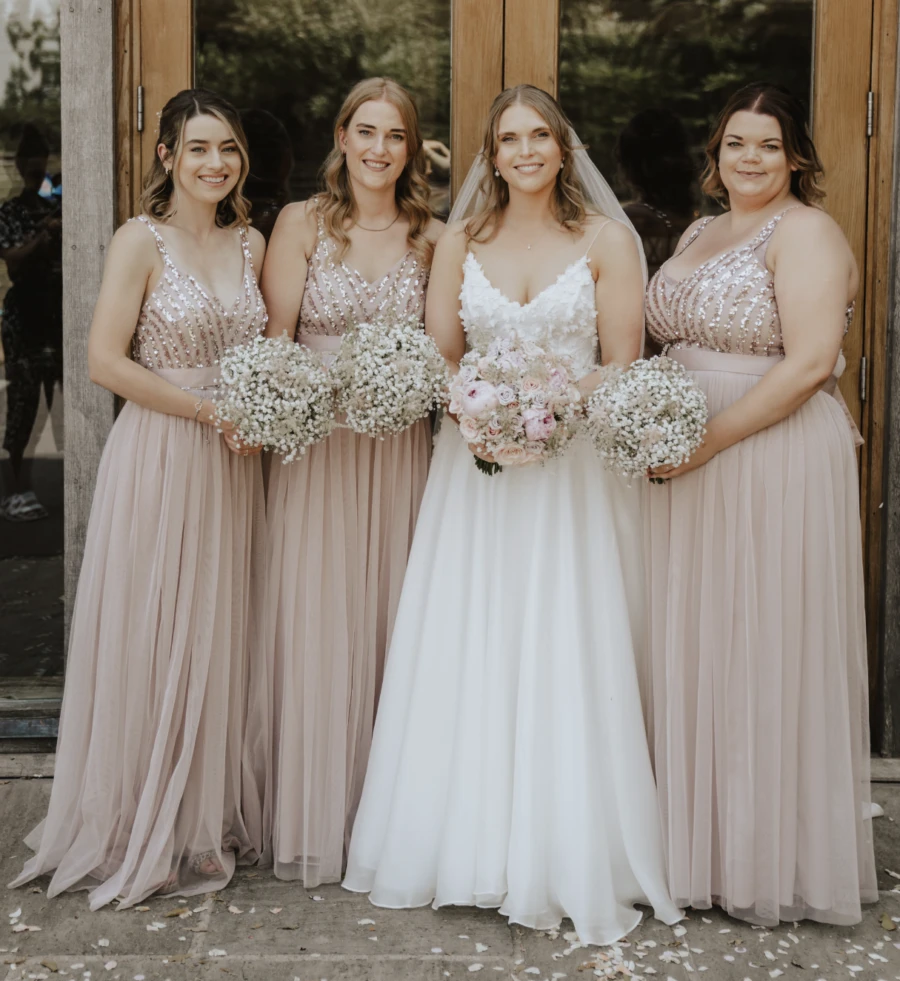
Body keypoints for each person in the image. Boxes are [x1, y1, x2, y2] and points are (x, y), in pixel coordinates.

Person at [343, 84, 682, 945]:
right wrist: (485, 409)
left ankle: (574, 842)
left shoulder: (607, 241)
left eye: (540, 136)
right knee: (474, 640)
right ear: (490, 156)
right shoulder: (460, 239)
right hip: (477, 475)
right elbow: (441, 360)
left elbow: (620, 361)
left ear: (564, 148)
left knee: (569, 639)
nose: (525, 150)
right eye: (508, 139)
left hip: (570, 476)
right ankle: (470, 844)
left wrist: (551, 404)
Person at [8, 89, 268, 909]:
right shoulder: (139, 240)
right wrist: (206, 409)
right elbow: (103, 362)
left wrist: (260, 407)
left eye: (226, 148)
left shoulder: (253, 242)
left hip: (235, 463)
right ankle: (132, 818)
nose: (215, 163)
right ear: (166, 157)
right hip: (161, 450)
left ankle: (198, 815)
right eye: (197, 148)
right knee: (154, 627)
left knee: (218, 630)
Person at [643, 82, 877, 925]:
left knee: (762, 646)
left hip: (767, 452)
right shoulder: (703, 230)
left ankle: (760, 858)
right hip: (688, 455)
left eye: (768, 146)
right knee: (698, 643)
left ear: (797, 158)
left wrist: (707, 439)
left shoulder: (808, 233)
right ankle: (692, 847)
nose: (750, 157)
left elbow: (811, 362)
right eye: (737, 142)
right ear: (717, 153)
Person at [253, 77, 443, 885]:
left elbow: (443, 355)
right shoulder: (300, 224)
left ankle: (391, 815)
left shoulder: (433, 236)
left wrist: (405, 384)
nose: (378, 149)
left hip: (398, 452)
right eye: (365, 131)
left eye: (394, 135)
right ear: (341, 136)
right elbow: (275, 344)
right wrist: (319, 395)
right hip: (317, 449)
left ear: (410, 147)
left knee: (393, 620)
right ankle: (314, 812)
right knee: (316, 615)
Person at [0, 123, 63, 521]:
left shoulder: (57, 206)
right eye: (30, 161)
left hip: (59, 314)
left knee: (66, 404)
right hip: (25, 316)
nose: (37, 167)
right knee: (23, 405)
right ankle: (15, 489)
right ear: (21, 165)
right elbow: (13, 257)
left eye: (42, 161)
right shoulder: (11, 211)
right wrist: (44, 234)